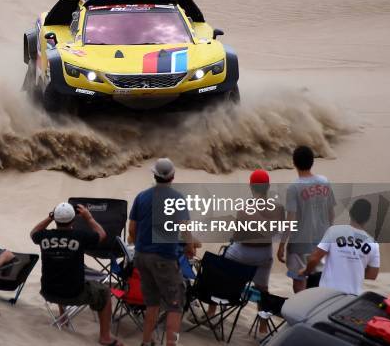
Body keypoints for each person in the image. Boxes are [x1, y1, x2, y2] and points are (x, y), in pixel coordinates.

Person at [30, 202, 123, 346]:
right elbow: (102, 234)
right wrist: (89, 218)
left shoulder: (44, 236)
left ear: (56, 219)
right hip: (74, 294)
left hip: (48, 292)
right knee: (104, 291)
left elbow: (33, 232)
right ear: (73, 220)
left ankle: (62, 317)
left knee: (61, 272)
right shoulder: (80, 236)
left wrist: (49, 217)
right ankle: (105, 337)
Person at [128, 158, 198, 346]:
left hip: (142, 257)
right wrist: (189, 247)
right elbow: (185, 229)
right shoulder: (177, 199)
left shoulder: (141, 196)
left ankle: (146, 341)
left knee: (152, 303)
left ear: (154, 175)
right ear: (173, 176)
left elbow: (132, 229)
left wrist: (141, 245)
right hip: (163, 257)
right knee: (175, 304)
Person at [206, 169, 285, 333]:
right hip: (264, 254)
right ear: (268, 186)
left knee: (219, 269)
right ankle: (263, 328)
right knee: (263, 289)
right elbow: (278, 232)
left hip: (242, 254)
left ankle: (211, 312)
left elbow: (238, 236)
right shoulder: (278, 208)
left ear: (251, 186)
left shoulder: (244, 208)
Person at [278, 146, 336, 293]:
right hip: (321, 245)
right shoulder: (324, 182)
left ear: (294, 163)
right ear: (312, 162)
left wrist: (281, 246)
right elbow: (331, 213)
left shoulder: (294, 188)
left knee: (299, 286)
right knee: (318, 285)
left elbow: (290, 219)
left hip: (299, 247)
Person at [300, 198, 380, 295]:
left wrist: (306, 271)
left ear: (350, 212)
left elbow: (314, 259)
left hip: (328, 294)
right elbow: (372, 275)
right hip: (352, 297)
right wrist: (353, 270)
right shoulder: (373, 243)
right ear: (368, 218)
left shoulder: (334, 231)